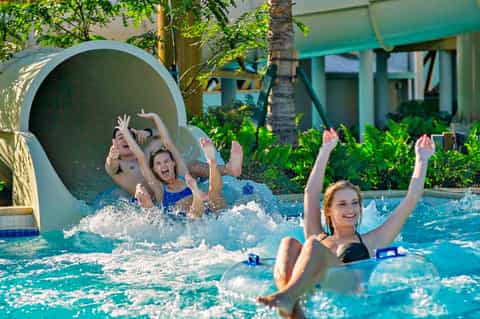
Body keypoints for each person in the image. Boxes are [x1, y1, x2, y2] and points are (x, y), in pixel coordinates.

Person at [256, 129, 435, 318]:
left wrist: (422, 159)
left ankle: (288, 299)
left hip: (351, 288)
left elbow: (411, 199)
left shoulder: (372, 240)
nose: (350, 210)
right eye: (342, 204)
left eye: (354, 203)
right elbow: (310, 192)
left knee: (312, 244)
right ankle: (292, 307)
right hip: (320, 285)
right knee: (289, 242)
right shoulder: (318, 234)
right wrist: (325, 150)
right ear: (329, 210)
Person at [116, 112, 227, 217]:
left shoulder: (183, 175)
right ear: (154, 169)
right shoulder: (159, 189)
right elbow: (141, 158)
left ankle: (211, 162)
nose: (163, 165)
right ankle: (197, 196)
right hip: (189, 222)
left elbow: (168, 143)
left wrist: (155, 117)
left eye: (166, 161)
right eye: (158, 163)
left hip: (209, 214)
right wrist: (126, 133)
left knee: (215, 194)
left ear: (173, 163)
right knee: (189, 210)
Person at [105, 116, 243, 197]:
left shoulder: (147, 153)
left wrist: (147, 132)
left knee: (192, 165)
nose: (125, 140)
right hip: (156, 197)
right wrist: (112, 156)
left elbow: (164, 137)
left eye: (129, 137)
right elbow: (111, 166)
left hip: (172, 185)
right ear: (114, 143)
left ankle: (228, 169)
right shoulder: (120, 165)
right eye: (121, 137)